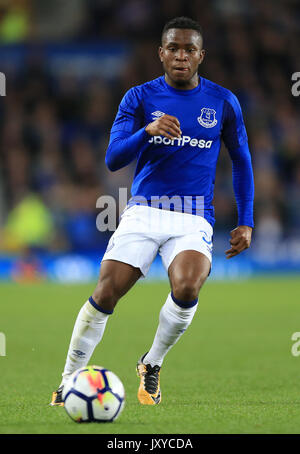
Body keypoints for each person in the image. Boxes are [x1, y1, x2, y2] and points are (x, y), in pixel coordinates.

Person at [51, 16, 254, 407]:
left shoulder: (223, 102)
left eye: (189, 49)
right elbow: (112, 159)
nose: (181, 56)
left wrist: (245, 219)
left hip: (193, 215)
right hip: (144, 210)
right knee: (106, 292)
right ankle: (68, 380)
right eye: (173, 48)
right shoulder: (138, 98)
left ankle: (151, 364)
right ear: (161, 53)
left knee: (188, 286)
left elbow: (242, 161)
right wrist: (147, 131)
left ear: (201, 56)